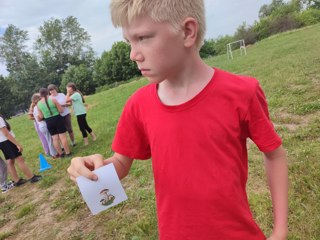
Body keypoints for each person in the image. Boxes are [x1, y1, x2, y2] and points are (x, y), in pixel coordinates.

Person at [67, 1, 288, 240]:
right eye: (128, 41)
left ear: (187, 32)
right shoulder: (138, 104)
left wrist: (280, 231)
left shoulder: (242, 92)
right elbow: (121, 163)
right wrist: (92, 167)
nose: (133, 54)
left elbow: (274, 154)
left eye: (143, 38)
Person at [0, 115, 41, 187]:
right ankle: (31, 177)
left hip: (2, 142)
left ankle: (17, 180)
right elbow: (6, 133)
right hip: (7, 141)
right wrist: (17, 144)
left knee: (10, 161)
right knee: (19, 159)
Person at [37, 88, 71, 158]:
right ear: (47, 93)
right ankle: (68, 152)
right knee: (63, 137)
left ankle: (61, 154)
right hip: (57, 118)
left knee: (54, 138)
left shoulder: (39, 104)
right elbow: (61, 110)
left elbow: (41, 116)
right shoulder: (53, 100)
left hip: (48, 121)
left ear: (40, 95)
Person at [31, 93, 58, 158]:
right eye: (40, 97)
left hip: (42, 126)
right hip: (44, 125)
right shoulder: (37, 107)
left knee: (50, 139)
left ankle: (54, 152)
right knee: (50, 140)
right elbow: (40, 118)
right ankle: (54, 154)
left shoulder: (35, 107)